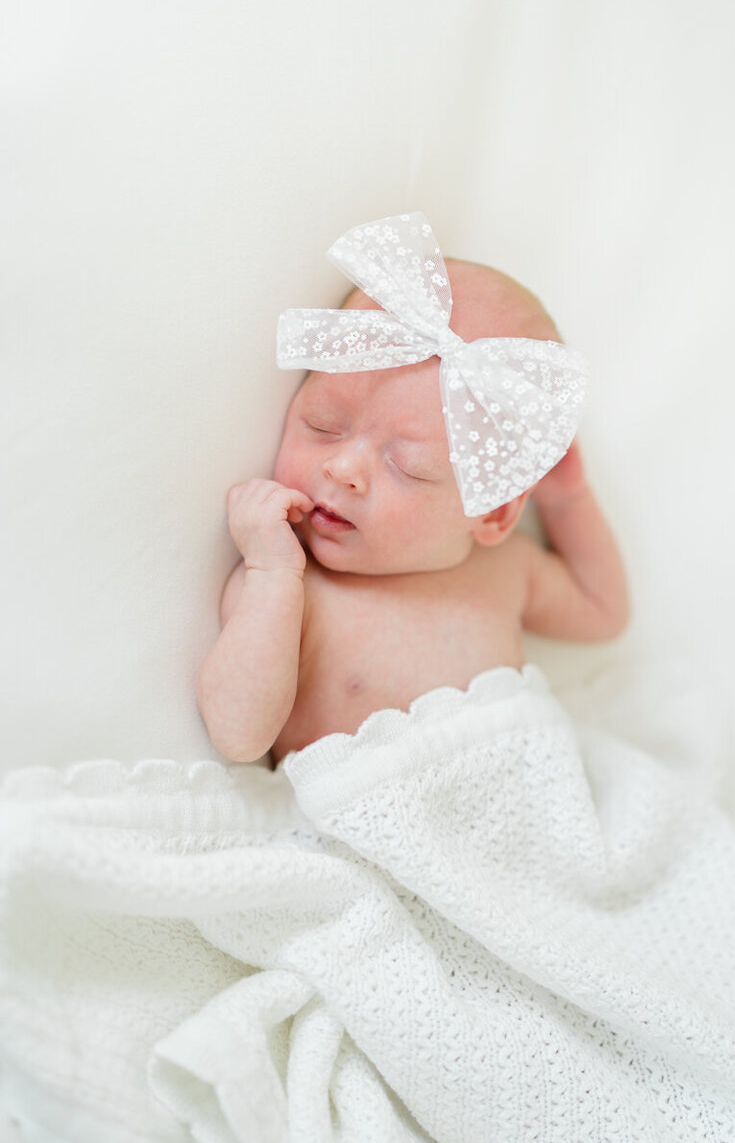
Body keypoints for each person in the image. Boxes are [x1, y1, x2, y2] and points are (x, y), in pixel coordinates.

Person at [197, 214, 629, 764]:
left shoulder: (503, 571)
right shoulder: (287, 586)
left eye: (409, 467)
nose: (344, 469)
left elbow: (604, 613)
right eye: (323, 424)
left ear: (494, 513)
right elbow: (238, 736)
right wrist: (271, 572)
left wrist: (566, 501)